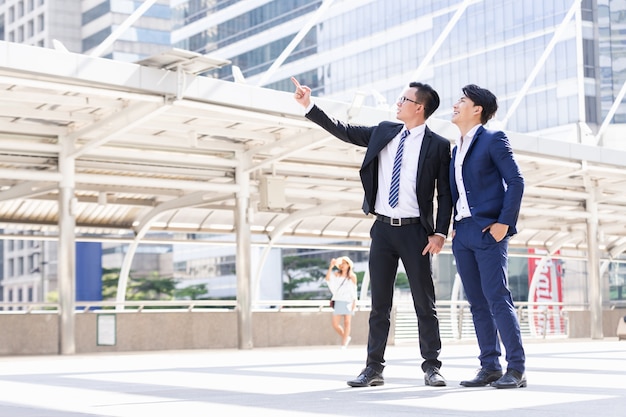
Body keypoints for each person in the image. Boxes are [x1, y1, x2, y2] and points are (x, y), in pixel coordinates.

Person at [292, 77, 452, 388]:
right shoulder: (384, 131)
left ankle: (432, 366)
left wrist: (440, 233)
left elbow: (444, 194)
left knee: (424, 302)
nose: (398, 103)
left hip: (416, 233)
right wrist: (309, 105)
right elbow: (346, 131)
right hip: (382, 230)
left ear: (419, 108)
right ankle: (373, 368)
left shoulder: (438, 145)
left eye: (404, 100)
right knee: (379, 303)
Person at [449, 84, 526, 389]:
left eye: (461, 100)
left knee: (497, 298)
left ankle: (516, 368)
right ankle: (490, 366)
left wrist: (503, 224)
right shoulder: (456, 149)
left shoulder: (494, 138)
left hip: (489, 231)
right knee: (477, 303)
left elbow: (516, 181)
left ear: (477, 109)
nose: (455, 104)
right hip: (463, 233)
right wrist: (453, 226)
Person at [325, 256, 358, 348]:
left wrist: (354, 302)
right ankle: (346, 337)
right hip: (339, 300)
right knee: (335, 324)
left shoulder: (352, 276)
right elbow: (327, 279)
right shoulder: (336, 274)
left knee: (347, 322)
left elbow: (354, 290)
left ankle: (343, 344)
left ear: (348, 265)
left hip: (348, 301)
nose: (343, 265)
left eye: (345, 263)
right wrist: (331, 266)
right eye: (341, 263)